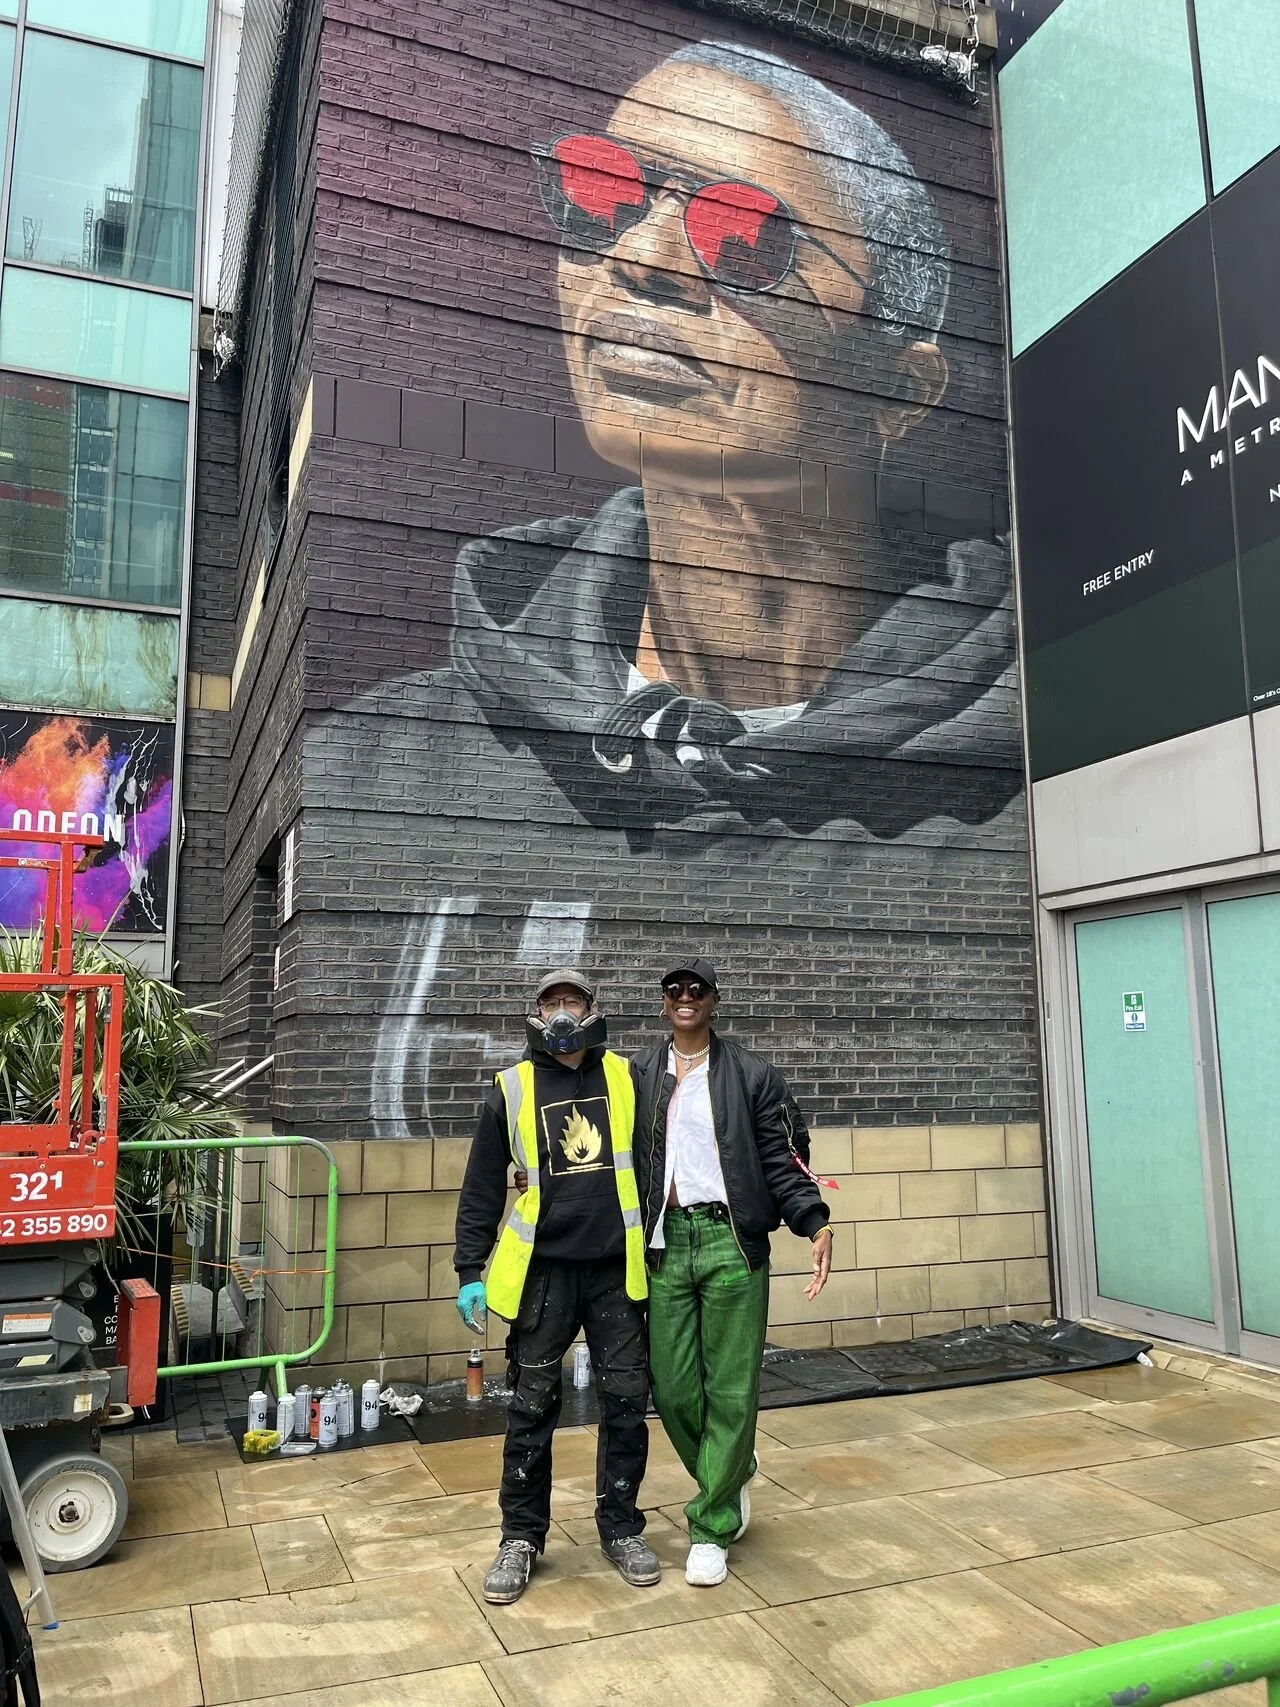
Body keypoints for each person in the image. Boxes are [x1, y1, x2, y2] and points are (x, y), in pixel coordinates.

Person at [304, 36, 1025, 1140]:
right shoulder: (370, 767)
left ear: (899, 389)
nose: (639, 257)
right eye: (602, 195)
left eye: (743, 234)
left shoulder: (1023, 802)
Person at [453, 969, 660, 1603]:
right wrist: (469, 1269)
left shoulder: (627, 1076)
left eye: (572, 1000)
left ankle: (621, 1527)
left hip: (615, 1268)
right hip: (544, 1271)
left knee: (625, 1403)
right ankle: (520, 1537)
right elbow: (483, 1181)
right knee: (531, 1406)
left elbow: (659, 1157)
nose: (562, 1011)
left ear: (593, 1009)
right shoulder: (513, 1087)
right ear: (536, 1015)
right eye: (551, 1003)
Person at [631, 956, 832, 1586]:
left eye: (697, 989)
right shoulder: (639, 1074)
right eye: (674, 989)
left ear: (714, 1000)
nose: (685, 997)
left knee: (732, 1388)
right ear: (664, 1002)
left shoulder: (750, 1074)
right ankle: (732, 1469)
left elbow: (782, 1157)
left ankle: (712, 1525)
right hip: (665, 1243)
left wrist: (814, 1222)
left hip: (732, 1243)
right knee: (672, 1387)